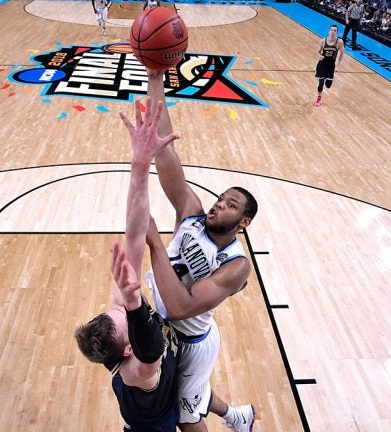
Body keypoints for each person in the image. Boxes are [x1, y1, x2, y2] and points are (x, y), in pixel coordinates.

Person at [143, 68, 257, 432]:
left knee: (187, 421)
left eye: (231, 205)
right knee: (182, 395)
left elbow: (181, 306)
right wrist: (156, 73)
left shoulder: (236, 266)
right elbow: (165, 149)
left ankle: (236, 419)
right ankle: (238, 416)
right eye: (221, 198)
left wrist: (154, 242)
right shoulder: (190, 212)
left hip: (192, 342)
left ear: (244, 223)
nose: (219, 204)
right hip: (164, 326)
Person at [75, 96, 183, 431]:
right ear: (126, 352)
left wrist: (140, 164)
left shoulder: (120, 313)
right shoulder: (137, 371)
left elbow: (135, 233)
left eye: (117, 310)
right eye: (124, 317)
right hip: (153, 424)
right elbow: (151, 351)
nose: (121, 306)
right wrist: (135, 304)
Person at [314, 24, 345, 107]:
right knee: (321, 83)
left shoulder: (339, 42)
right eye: (331, 30)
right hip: (322, 64)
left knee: (328, 85)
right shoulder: (323, 41)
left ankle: (326, 80)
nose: (333, 32)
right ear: (329, 31)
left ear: (337, 32)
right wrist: (319, 56)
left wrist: (338, 66)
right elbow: (317, 51)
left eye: (335, 30)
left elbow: (342, 53)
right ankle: (318, 98)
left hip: (331, 65)